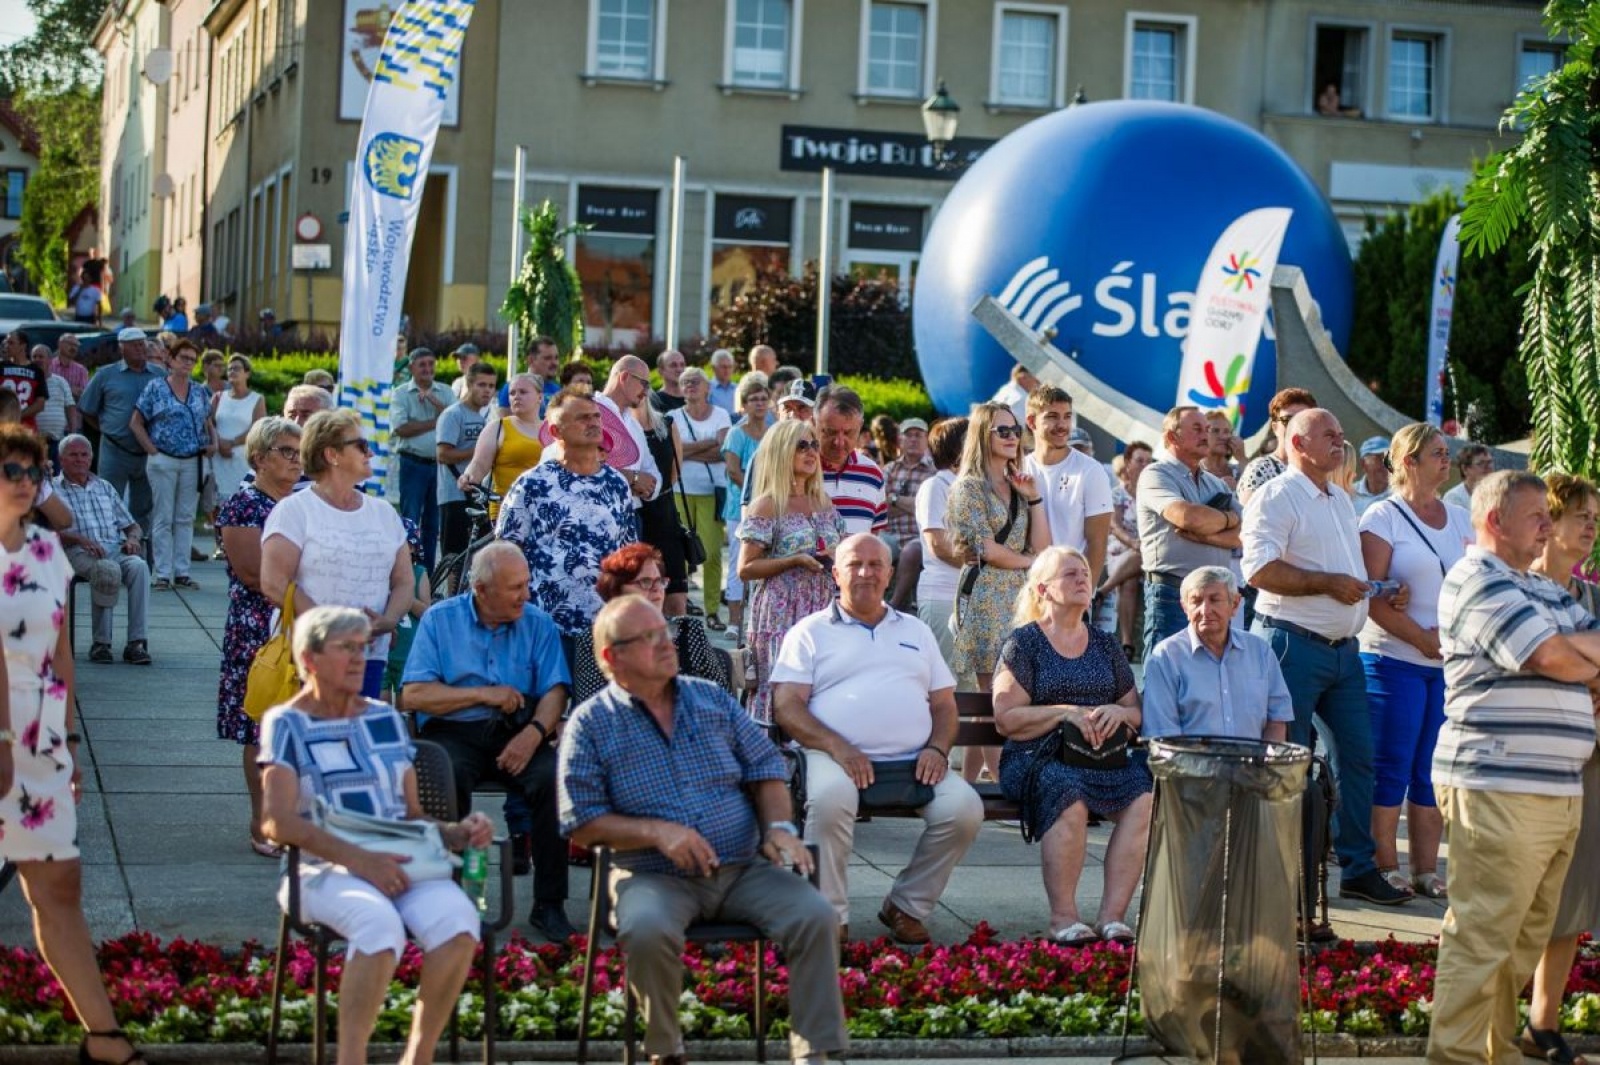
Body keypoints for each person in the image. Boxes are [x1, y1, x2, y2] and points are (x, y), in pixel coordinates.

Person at [559, 594, 847, 1065]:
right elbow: (582, 823)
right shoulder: (591, 724)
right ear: (614, 657)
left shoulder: (710, 698)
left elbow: (766, 766)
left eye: (664, 632)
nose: (667, 644)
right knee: (647, 929)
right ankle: (665, 1052)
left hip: (742, 868)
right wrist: (658, 833)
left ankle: (815, 1055)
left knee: (814, 915)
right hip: (651, 875)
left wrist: (777, 827)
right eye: (649, 638)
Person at [258, 605, 491, 1065]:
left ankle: (417, 1057)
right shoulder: (287, 723)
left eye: (363, 648)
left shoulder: (383, 718)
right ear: (309, 658)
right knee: (379, 926)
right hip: (322, 870)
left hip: (401, 864)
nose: (359, 658)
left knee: (459, 925)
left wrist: (456, 832)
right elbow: (277, 822)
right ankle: (351, 1059)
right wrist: (361, 860)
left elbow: (412, 815)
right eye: (346, 648)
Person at [1425, 471, 1600, 1065]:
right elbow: (1551, 656)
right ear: (1496, 521)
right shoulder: (1476, 577)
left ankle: (1497, 1053)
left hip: (1554, 790)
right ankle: (1456, 1058)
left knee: (1521, 943)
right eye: (1538, 518)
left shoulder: (1544, 589)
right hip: (1498, 785)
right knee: (1482, 940)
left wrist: (1569, 654)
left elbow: (1586, 648)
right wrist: (1570, 656)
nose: (1549, 528)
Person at [0, 424, 150, 1065]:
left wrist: (69, 742)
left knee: (59, 886)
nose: (27, 483)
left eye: (34, 473)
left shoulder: (43, 550)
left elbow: (59, 651)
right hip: (5, 734)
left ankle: (103, 1036)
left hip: (38, 736)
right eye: (12, 471)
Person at [772, 534, 982, 944]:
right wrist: (838, 747)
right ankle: (828, 916)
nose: (866, 572)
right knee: (831, 800)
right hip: (831, 755)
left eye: (875, 565)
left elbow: (943, 705)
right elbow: (787, 705)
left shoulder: (916, 631)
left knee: (964, 809)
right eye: (854, 564)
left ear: (890, 574)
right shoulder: (809, 632)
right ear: (836, 573)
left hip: (914, 759)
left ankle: (906, 905)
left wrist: (939, 749)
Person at [1242, 407, 1412, 907]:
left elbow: (1343, 571)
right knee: (1287, 761)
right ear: (1297, 444)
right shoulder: (1275, 496)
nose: (1341, 441)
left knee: (1358, 759)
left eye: (1340, 434)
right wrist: (1329, 584)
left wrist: (1377, 589)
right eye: (1329, 435)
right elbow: (1258, 571)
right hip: (1292, 645)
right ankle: (1282, 872)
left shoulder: (1339, 496)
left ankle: (1358, 867)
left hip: (1343, 652)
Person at [401, 541, 575, 941]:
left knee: (552, 781)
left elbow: (555, 692)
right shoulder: (440, 621)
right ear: (481, 590)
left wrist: (533, 734)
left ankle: (550, 904)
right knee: (444, 777)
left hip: (518, 728)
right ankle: (453, 902)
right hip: (453, 729)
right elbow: (413, 695)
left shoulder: (537, 623)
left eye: (526, 584)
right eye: (516, 587)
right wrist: (483, 694)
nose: (526, 595)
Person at [992, 546, 1151, 945]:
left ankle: (1112, 918)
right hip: (1037, 757)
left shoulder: (1105, 644)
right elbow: (1006, 718)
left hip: (1101, 759)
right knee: (1070, 793)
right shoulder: (1024, 643)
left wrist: (1118, 711)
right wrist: (1065, 712)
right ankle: (1064, 919)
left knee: (1146, 796)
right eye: (1070, 574)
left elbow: (1136, 713)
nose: (1083, 579)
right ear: (1043, 589)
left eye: (1084, 572)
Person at [1357, 424, 1472, 900]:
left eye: (1447, 453)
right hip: (1392, 659)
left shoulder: (1463, 518)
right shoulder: (1381, 517)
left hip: (1447, 666)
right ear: (1408, 461)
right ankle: (1386, 865)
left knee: (1433, 768)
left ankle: (1427, 869)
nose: (1446, 460)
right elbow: (1370, 595)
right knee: (1392, 765)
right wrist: (1421, 639)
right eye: (1437, 453)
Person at [1522, 474, 1600, 1065]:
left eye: (1595, 517)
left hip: (1587, 760)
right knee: (1514, 900)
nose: (1591, 527)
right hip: (1524, 766)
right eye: (1581, 515)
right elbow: (1544, 664)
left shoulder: (1591, 597)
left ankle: (1541, 1022)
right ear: (1547, 523)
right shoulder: (1515, 588)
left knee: (1570, 900)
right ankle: (1488, 1021)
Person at [260, 409, 413, 700]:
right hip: (312, 654)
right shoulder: (295, 510)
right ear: (332, 455)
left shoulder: (383, 513)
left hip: (368, 654)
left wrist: (389, 620)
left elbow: (404, 580)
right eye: (361, 445)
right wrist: (332, 628)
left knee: (356, 737)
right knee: (311, 739)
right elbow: (274, 582)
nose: (370, 452)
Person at [216, 417, 303, 856]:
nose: (296, 460)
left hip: (302, 625)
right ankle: (262, 820)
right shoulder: (244, 505)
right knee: (260, 730)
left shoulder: (305, 502)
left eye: (299, 452)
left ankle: (294, 818)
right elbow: (254, 574)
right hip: (259, 630)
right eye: (286, 452)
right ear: (259, 459)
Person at [495, 387, 636, 638]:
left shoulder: (616, 484)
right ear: (555, 431)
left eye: (595, 416)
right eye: (582, 418)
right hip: (543, 626)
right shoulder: (532, 484)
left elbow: (627, 553)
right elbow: (506, 552)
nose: (593, 423)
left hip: (603, 626)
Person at [738, 420, 848, 724]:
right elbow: (745, 568)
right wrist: (794, 560)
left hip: (823, 605)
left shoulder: (823, 502)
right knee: (781, 683)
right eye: (802, 445)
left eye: (814, 444)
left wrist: (836, 555)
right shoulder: (767, 504)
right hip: (780, 610)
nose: (811, 452)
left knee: (819, 684)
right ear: (781, 451)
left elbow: (843, 544)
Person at [948, 401, 1052, 691]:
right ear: (982, 435)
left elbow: (1043, 549)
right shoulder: (968, 487)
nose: (1012, 437)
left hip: (1022, 595)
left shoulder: (1020, 485)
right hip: (986, 596)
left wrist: (1032, 497)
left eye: (1015, 430)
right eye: (1002, 430)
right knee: (993, 693)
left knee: (1024, 689)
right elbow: (988, 551)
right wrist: (1031, 561)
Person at [1142, 565, 1293, 742]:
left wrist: (1264, 765)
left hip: (1253, 767)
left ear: (1235, 604)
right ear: (1184, 607)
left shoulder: (1260, 651)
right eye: (1196, 601)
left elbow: (1277, 719)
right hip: (1189, 766)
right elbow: (1162, 735)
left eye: (1214, 600)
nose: (1205, 611)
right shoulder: (1166, 657)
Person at [1136, 405, 1242, 654]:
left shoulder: (1215, 483)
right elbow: (1188, 517)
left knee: (1209, 678)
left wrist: (1206, 532)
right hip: (1171, 595)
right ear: (1172, 436)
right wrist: (1228, 518)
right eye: (1197, 429)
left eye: (1207, 429)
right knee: (1164, 681)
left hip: (1216, 598)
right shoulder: (1155, 474)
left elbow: (1243, 535)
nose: (1206, 435)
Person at [569, 542, 730, 703]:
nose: (656, 589)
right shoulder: (594, 640)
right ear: (617, 591)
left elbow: (723, 698)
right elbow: (591, 704)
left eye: (660, 581)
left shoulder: (689, 630)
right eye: (645, 582)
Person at [52, 434, 151, 666]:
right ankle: (101, 644)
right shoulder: (53, 489)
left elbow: (131, 525)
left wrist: (133, 539)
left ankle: (136, 643)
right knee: (107, 570)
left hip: (113, 548)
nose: (79, 459)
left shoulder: (104, 487)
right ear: (61, 459)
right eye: (73, 455)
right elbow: (47, 532)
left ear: (91, 458)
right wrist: (77, 538)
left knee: (139, 566)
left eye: (84, 454)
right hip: (76, 551)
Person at [130, 339, 216, 590]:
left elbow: (208, 423)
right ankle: (163, 573)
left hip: (193, 460)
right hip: (163, 459)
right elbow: (136, 422)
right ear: (171, 360)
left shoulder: (200, 391)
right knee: (163, 517)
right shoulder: (156, 388)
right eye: (183, 358)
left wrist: (213, 443)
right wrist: (151, 449)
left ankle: (182, 572)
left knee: (185, 517)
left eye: (192, 359)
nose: (188, 363)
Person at [1023, 387, 1112, 601]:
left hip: (1070, 595)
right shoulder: (1019, 469)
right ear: (1032, 422)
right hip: (1025, 592)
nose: (1062, 425)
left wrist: (1085, 596)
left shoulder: (1090, 471)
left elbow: (1097, 543)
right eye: (1052, 417)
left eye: (1067, 417)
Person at [77, 327, 165, 537]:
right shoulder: (106, 374)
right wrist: (105, 429)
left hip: (147, 451)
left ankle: (140, 553)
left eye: (142, 343)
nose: (140, 348)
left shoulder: (160, 374)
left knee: (143, 506)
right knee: (109, 502)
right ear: (122, 348)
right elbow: (87, 408)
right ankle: (111, 547)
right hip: (114, 449)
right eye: (134, 344)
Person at [668, 367, 732, 628]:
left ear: (708, 388)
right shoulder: (672, 416)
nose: (690, 385)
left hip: (711, 490)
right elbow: (673, 452)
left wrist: (685, 450)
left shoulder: (721, 414)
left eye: (696, 381)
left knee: (713, 553)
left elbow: (723, 452)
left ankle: (712, 610)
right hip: (679, 491)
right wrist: (707, 444)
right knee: (679, 554)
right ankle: (682, 609)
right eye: (685, 382)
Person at [390, 347, 455, 571]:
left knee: (432, 524)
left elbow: (456, 420)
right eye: (422, 365)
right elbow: (402, 429)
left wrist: (437, 404)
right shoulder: (400, 394)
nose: (427, 369)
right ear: (411, 368)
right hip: (413, 464)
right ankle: (405, 571)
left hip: (438, 467)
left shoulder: (445, 392)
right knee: (410, 519)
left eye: (431, 364)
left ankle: (426, 574)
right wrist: (437, 422)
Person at [915, 417, 970, 671]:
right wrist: (988, 565)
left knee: (970, 683)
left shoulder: (975, 488)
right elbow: (938, 544)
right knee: (946, 680)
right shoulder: (935, 486)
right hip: (942, 596)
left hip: (970, 597)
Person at [720, 375, 772, 637]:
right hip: (739, 506)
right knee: (738, 562)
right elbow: (733, 471)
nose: (760, 404)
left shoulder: (774, 432)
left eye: (764, 398)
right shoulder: (736, 433)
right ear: (744, 405)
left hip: (769, 508)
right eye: (754, 399)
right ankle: (733, 620)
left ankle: (757, 618)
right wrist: (755, 500)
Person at [459, 372, 545, 522]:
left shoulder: (552, 430)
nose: (516, 396)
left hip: (544, 512)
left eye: (523, 392)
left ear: (540, 397)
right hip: (506, 512)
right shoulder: (498, 427)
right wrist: (469, 476)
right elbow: (479, 463)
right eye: (512, 393)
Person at [436, 362, 496, 567]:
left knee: (478, 556)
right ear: (469, 384)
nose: (487, 390)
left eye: (491, 386)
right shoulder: (453, 414)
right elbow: (443, 454)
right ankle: (450, 596)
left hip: (477, 495)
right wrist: (482, 450)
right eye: (481, 385)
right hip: (454, 495)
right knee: (454, 556)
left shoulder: (483, 418)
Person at [1097, 442, 1153, 655]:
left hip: (1147, 550)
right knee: (1129, 581)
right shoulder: (1118, 493)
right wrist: (1134, 543)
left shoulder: (1153, 492)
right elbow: (1114, 525)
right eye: (1140, 461)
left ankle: (1103, 591)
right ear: (1128, 463)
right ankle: (1128, 642)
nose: (1144, 465)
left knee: (1142, 558)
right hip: (1123, 548)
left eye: (1149, 461)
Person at [814, 385, 887, 537]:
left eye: (848, 433)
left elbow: (874, 535)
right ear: (814, 423)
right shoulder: (798, 468)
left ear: (860, 427)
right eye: (830, 432)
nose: (839, 442)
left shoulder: (873, 474)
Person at [884, 416, 935, 609]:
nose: (913, 439)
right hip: (890, 534)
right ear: (900, 440)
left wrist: (895, 499)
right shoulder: (889, 469)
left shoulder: (934, 471)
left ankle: (894, 605)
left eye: (918, 435)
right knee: (875, 546)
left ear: (926, 440)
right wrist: (913, 505)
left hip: (919, 535)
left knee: (911, 552)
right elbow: (881, 506)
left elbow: (927, 508)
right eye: (908, 435)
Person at [1237, 388, 1317, 505]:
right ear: (1275, 428)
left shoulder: (1319, 471)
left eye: (1303, 420)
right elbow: (1248, 518)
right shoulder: (1260, 470)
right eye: (1287, 420)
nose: (1295, 426)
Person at [210, 353, 266, 503]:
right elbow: (209, 423)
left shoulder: (257, 399)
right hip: (219, 459)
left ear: (247, 373)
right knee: (219, 505)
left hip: (242, 460)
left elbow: (257, 428)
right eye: (229, 369)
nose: (232, 372)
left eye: (237, 368)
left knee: (242, 503)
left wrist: (232, 443)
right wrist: (220, 442)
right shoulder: (218, 397)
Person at [29, 343, 77, 457]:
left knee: (56, 473)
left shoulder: (60, 382)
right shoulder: (28, 382)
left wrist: (73, 434)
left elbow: (70, 407)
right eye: (34, 357)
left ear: (50, 360)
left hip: (57, 441)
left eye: (41, 357)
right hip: (32, 441)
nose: (37, 360)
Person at [3, 329, 46, 431]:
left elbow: (40, 404)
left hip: (26, 429)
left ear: (23, 346)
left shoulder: (36, 371)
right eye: (6, 343)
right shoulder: (1, 367)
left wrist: (17, 416)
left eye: (11, 343)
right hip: (3, 426)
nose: (7, 346)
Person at [1443, 442, 1493, 511]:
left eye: (1489, 462)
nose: (1488, 467)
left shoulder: (1497, 493)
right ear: (1465, 469)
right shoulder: (1454, 498)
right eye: (1481, 463)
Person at [990, 362, 1039, 427]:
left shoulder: (1005, 390)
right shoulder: (1022, 400)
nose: (1038, 385)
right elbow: (1020, 429)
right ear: (1023, 377)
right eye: (1036, 381)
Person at [1352, 436, 1391, 515]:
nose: (1384, 464)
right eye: (1378, 458)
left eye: (1388, 458)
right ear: (1363, 464)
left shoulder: (1402, 494)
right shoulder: (1349, 495)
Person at [1201, 411, 1239, 489]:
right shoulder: (1193, 472)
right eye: (1215, 431)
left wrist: (1242, 458)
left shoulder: (1239, 469)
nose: (1223, 437)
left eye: (1226, 431)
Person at [50, 333, 88, 401]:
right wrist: (70, 389)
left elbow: (84, 394)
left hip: (73, 409)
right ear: (60, 344)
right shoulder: (49, 366)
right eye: (70, 344)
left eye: (76, 346)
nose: (73, 348)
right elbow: (46, 389)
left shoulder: (81, 370)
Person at [67, 259, 104, 325]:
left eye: (87, 278)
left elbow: (99, 305)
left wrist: (99, 320)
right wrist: (80, 290)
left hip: (90, 318)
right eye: (84, 278)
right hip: (79, 317)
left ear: (90, 279)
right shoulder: (76, 288)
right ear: (82, 278)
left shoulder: (95, 290)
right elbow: (71, 300)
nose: (85, 280)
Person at [650, 348, 687, 413]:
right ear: (660, 372)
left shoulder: (693, 398)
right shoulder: (655, 401)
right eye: (673, 365)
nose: (679, 369)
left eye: (682, 365)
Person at [707, 348, 738, 416]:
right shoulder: (706, 388)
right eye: (723, 367)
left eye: (730, 367)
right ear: (714, 368)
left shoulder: (738, 389)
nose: (727, 370)